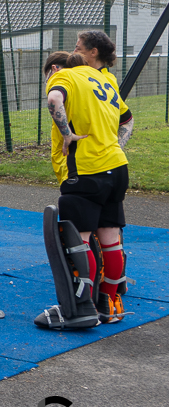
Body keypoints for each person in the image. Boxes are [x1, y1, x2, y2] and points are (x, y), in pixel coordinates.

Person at [45, 35, 132, 323]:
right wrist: (117, 143)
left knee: (78, 239)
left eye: (77, 45)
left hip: (87, 169)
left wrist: (67, 132)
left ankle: (83, 307)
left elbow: (54, 99)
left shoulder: (66, 76)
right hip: (117, 166)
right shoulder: (105, 80)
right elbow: (127, 119)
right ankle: (110, 303)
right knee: (110, 240)